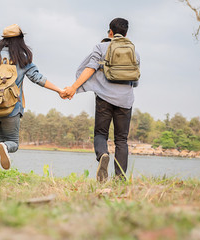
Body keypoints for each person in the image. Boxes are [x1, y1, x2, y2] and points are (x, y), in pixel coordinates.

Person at [0, 24, 65, 186]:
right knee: (12, 143)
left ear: (4, 39)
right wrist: (60, 90)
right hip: (11, 109)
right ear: (20, 40)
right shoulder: (22, 58)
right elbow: (38, 78)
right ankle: (5, 146)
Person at [64, 18, 140, 182]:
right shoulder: (134, 51)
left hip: (104, 98)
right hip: (125, 101)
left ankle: (103, 154)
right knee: (121, 140)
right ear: (126, 33)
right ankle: (120, 178)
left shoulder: (101, 47)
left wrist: (73, 88)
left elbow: (90, 69)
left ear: (110, 32)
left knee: (101, 133)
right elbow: (135, 81)